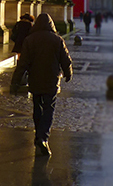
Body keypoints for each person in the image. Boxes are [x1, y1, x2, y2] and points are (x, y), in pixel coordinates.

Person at [10, 13, 72, 157]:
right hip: (52, 80)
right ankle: (43, 137)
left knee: (37, 107)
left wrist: (15, 81)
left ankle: (39, 134)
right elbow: (66, 59)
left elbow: (23, 64)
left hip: (35, 80)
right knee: (49, 109)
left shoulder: (30, 40)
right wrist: (68, 73)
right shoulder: (57, 40)